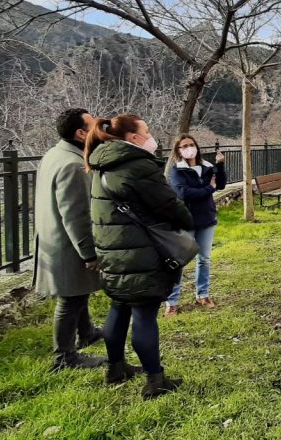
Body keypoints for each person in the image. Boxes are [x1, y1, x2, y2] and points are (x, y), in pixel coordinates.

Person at [84, 114, 194, 398]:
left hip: (112, 252)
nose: (150, 136)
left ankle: (116, 368)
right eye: (146, 131)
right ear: (133, 138)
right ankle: (155, 381)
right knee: (144, 314)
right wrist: (187, 218)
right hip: (140, 252)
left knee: (119, 307)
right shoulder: (137, 165)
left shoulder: (101, 164)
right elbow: (168, 204)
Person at [33, 108, 106, 372]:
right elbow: (76, 215)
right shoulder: (74, 164)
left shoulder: (55, 154)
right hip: (68, 243)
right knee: (70, 298)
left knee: (78, 290)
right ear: (80, 133)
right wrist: (89, 253)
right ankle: (64, 357)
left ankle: (87, 332)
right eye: (93, 125)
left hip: (53, 237)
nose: (98, 128)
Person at [164, 134, 227, 316]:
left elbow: (221, 185)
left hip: (206, 220)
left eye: (192, 144)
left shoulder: (207, 168)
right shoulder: (177, 171)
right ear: (178, 150)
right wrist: (209, 189)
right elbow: (184, 193)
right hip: (185, 221)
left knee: (204, 259)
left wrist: (220, 166)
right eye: (184, 146)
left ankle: (203, 294)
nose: (189, 148)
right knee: (178, 261)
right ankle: (172, 301)